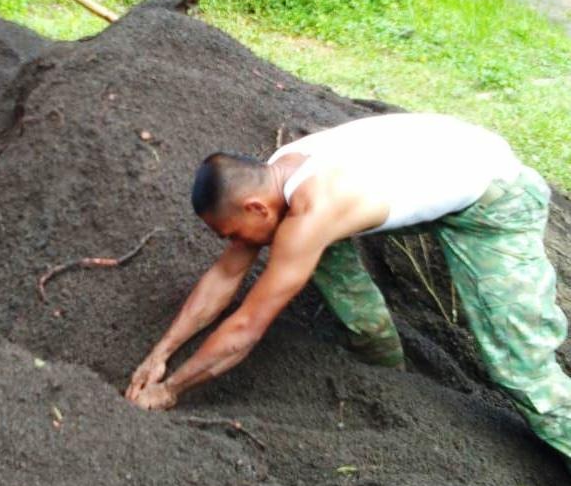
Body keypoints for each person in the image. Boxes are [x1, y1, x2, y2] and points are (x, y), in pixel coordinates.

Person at [125, 112, 571, 465]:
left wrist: (171, 391)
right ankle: (389, 380)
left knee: (521, 367)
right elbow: (225, 276)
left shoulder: (313, 210)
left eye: (231, 233)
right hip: (436, 158)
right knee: (310, 253)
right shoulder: (278, 174)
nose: (233, 245)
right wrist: (160, 353)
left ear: (256, 207)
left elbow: (246, 328)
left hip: (494, 194)